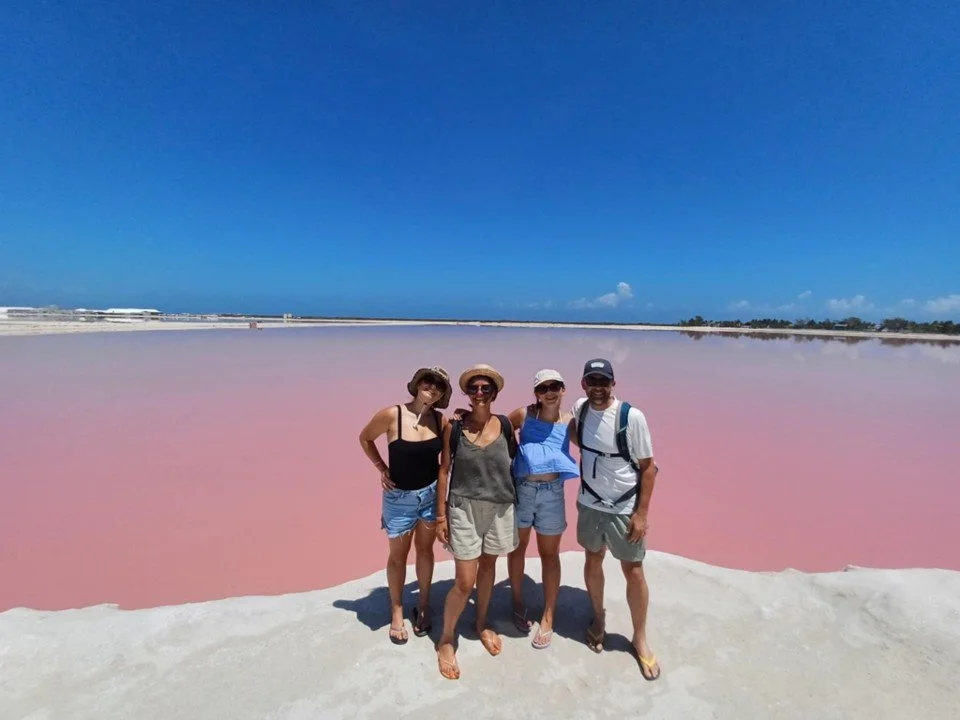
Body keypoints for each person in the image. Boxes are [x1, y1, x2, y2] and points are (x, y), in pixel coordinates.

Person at [569, 358, 662, 681]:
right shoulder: (579, 408)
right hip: (589, 503)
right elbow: (575, 436)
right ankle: (598, 618)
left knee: (633, 570)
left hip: (624, 508)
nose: (598, 387)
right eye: (592, 381)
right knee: (592, 559)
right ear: (583, 384)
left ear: (613, 383)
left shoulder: (632, 417)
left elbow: (648, 468)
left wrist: (642, 513)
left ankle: (640, 637)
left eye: (603, 381)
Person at [435, 363, 518, 680]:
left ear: (495, 393)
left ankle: (481, 622)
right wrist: (441, 515)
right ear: (467, 393)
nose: (480, 393)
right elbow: (444, 470)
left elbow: (517, 459)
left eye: (486, 388)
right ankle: (445, 639)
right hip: (463, 508)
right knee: (464, 581)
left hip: (499, 508)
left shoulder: (507, 425)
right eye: (474, 388)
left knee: (488, 571)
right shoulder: (454, 427)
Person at [358, 366, 452, 645]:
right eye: (428, 381)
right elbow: (365, 438)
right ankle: (397, 610)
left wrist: (442, 505)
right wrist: (381, 468)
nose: (432, 387)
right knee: (398, 556)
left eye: (439, 385)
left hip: (430, 496)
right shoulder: (391, 414)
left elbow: (445, 464)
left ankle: (423, 605)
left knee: (425, 551)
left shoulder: (440, 420)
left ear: (442, 394)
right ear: (416, 383)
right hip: (399, 499)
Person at [506, 368, 579, 649]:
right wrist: (516, 452)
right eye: (543, 388)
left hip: (552, 493)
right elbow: (499, 427)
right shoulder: (524, 415)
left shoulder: (570, 422)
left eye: (555, 387)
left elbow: (593, 444)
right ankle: (517, 601)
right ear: (536, 393)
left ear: (563, 390)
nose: (549, 392)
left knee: (550, 555)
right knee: (518, 548)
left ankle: (548, 615)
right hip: (523, 489)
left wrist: (636, 461)